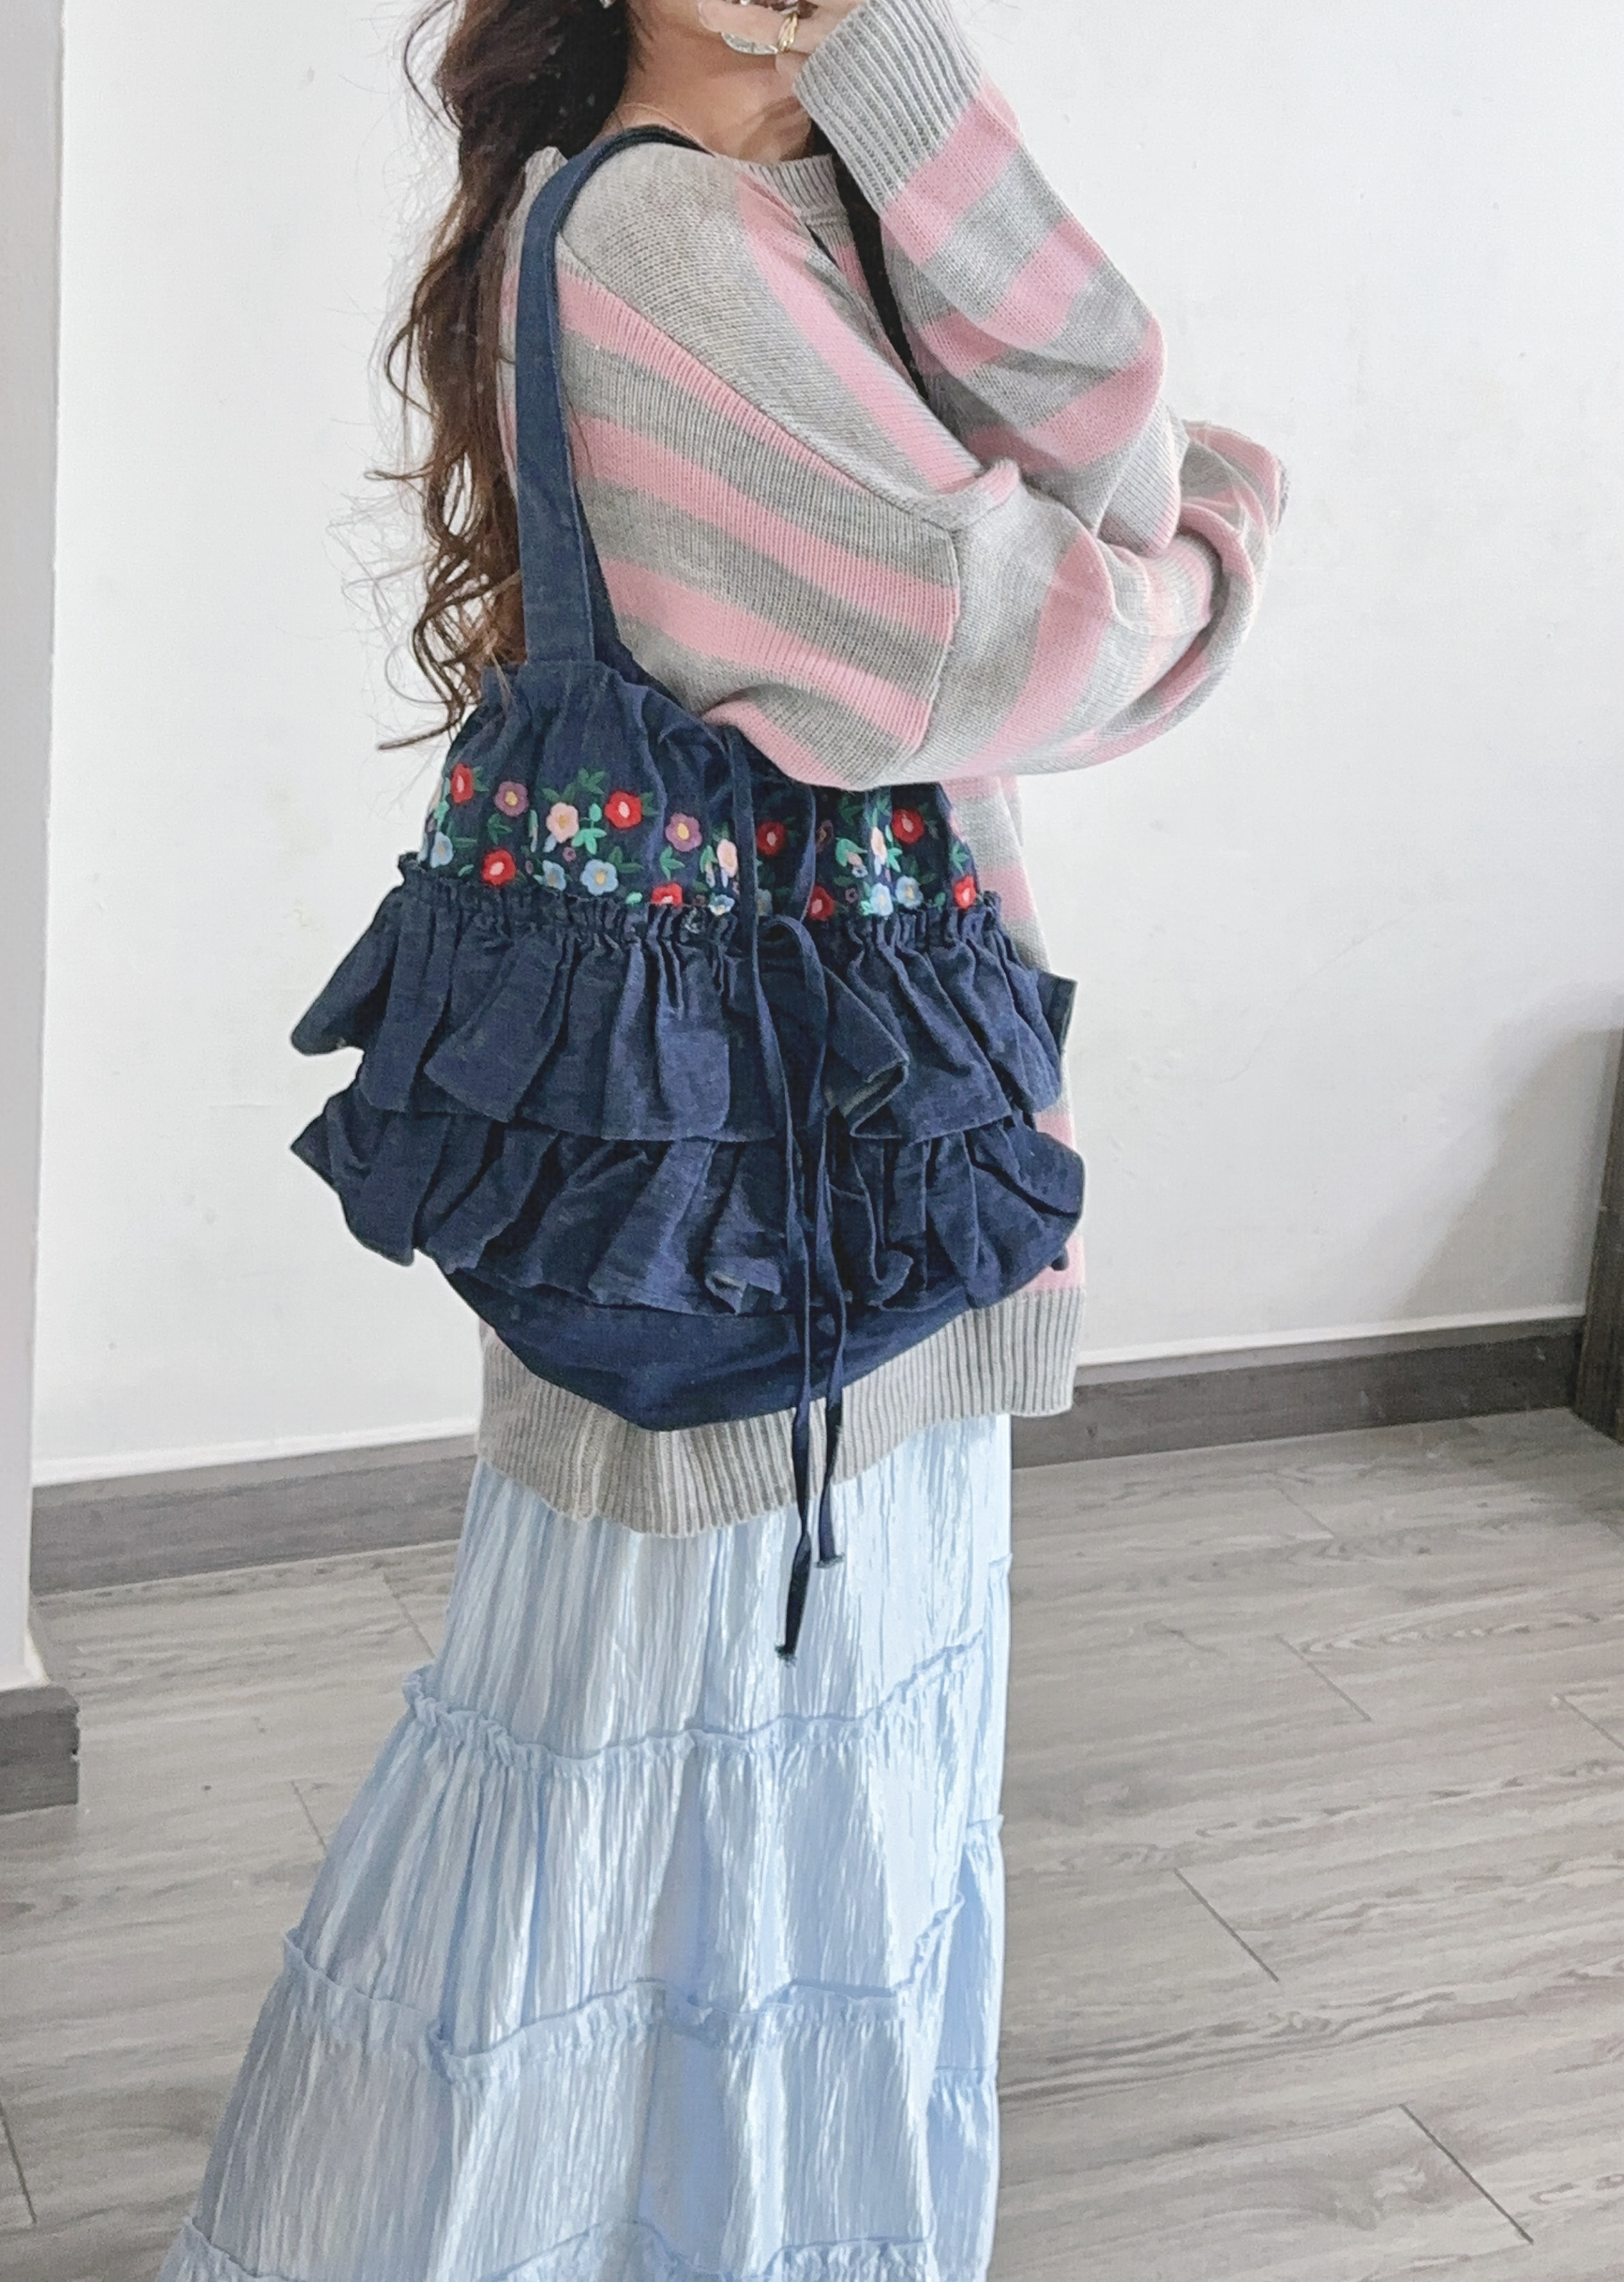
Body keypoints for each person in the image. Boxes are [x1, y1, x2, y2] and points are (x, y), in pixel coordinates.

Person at [156, 1, 1282, 2276]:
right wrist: (1218, 555)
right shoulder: (664, 243)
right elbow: (1012, 625)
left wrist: (912, 104)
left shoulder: (824, 214)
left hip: (842, 1168)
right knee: (674, 1808)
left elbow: (1106, 435)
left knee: (762, 1818)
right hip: (771, 1199)